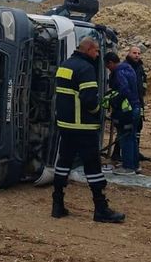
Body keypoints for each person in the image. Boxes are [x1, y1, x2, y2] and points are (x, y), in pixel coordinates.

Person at [52, 37, 125, 223]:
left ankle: (57, 203)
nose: (98, 54)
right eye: (97, 51)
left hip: (66, 125)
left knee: (63, 163)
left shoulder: (65, 65)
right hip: (83, 126)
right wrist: (99, 111)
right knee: (93, 167)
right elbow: (89, 100)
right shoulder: (86, 68)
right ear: (90, 49)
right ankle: (101, 208)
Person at [104, 51, 141, 175]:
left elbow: (124, 90)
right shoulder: (128, 68)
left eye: (108, 66)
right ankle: (134, 164)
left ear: (110, 63)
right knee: (132, 137)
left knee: (125, 137)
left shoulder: (119, 72)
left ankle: (128, 166)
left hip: (126, 110)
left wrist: (113, 100)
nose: (108, 69)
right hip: (135, 107)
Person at [125, 46, 149, 161]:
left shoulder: (140, 67)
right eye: (134, 53)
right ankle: (119, 153)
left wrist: (143, 92)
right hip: (128, 102)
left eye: (139, 53)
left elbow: (143, 82)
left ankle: (136, 151)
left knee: (138, 126)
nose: (137, 55)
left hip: (139, 101)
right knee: (126, 128)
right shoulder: (125, 67)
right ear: (129, 53)